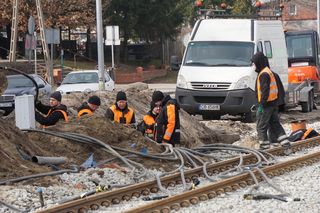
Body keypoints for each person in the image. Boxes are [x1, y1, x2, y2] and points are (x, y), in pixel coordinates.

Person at [252, 52, 290, 149]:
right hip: (273, 104)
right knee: (275, 124)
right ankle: (286, 145)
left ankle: (264, 148)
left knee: (261, 126)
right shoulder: (268, 71)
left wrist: (261, 105)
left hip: (266, 105)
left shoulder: (264, 74)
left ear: (258, 62)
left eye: (254, 63)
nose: (253, 66)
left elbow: (265, 91)